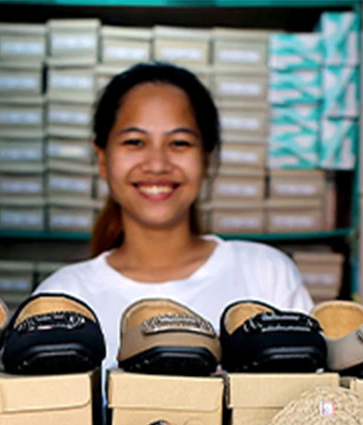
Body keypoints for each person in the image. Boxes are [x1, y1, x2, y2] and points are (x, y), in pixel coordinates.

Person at [32, 63, 314, 362]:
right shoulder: (63, 299)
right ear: (102, 158)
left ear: (207, 158)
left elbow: (314, 389)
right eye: (135, 142)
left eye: (179, 143)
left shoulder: (265, 275)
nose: (157, 164)